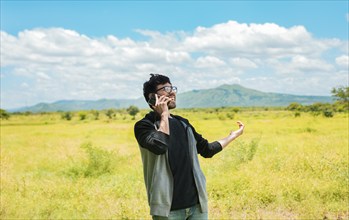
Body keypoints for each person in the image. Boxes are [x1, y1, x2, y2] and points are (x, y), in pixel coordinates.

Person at [134, 74, 245, 220]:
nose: (172, 92)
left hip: (197, 207)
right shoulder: (144, 126)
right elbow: (159, 145)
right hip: (168, 210)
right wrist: (164, 115)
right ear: (152, 97)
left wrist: (232, 136)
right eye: (166, 88)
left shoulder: (183, 124)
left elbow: (207, 150)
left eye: (172, 87)